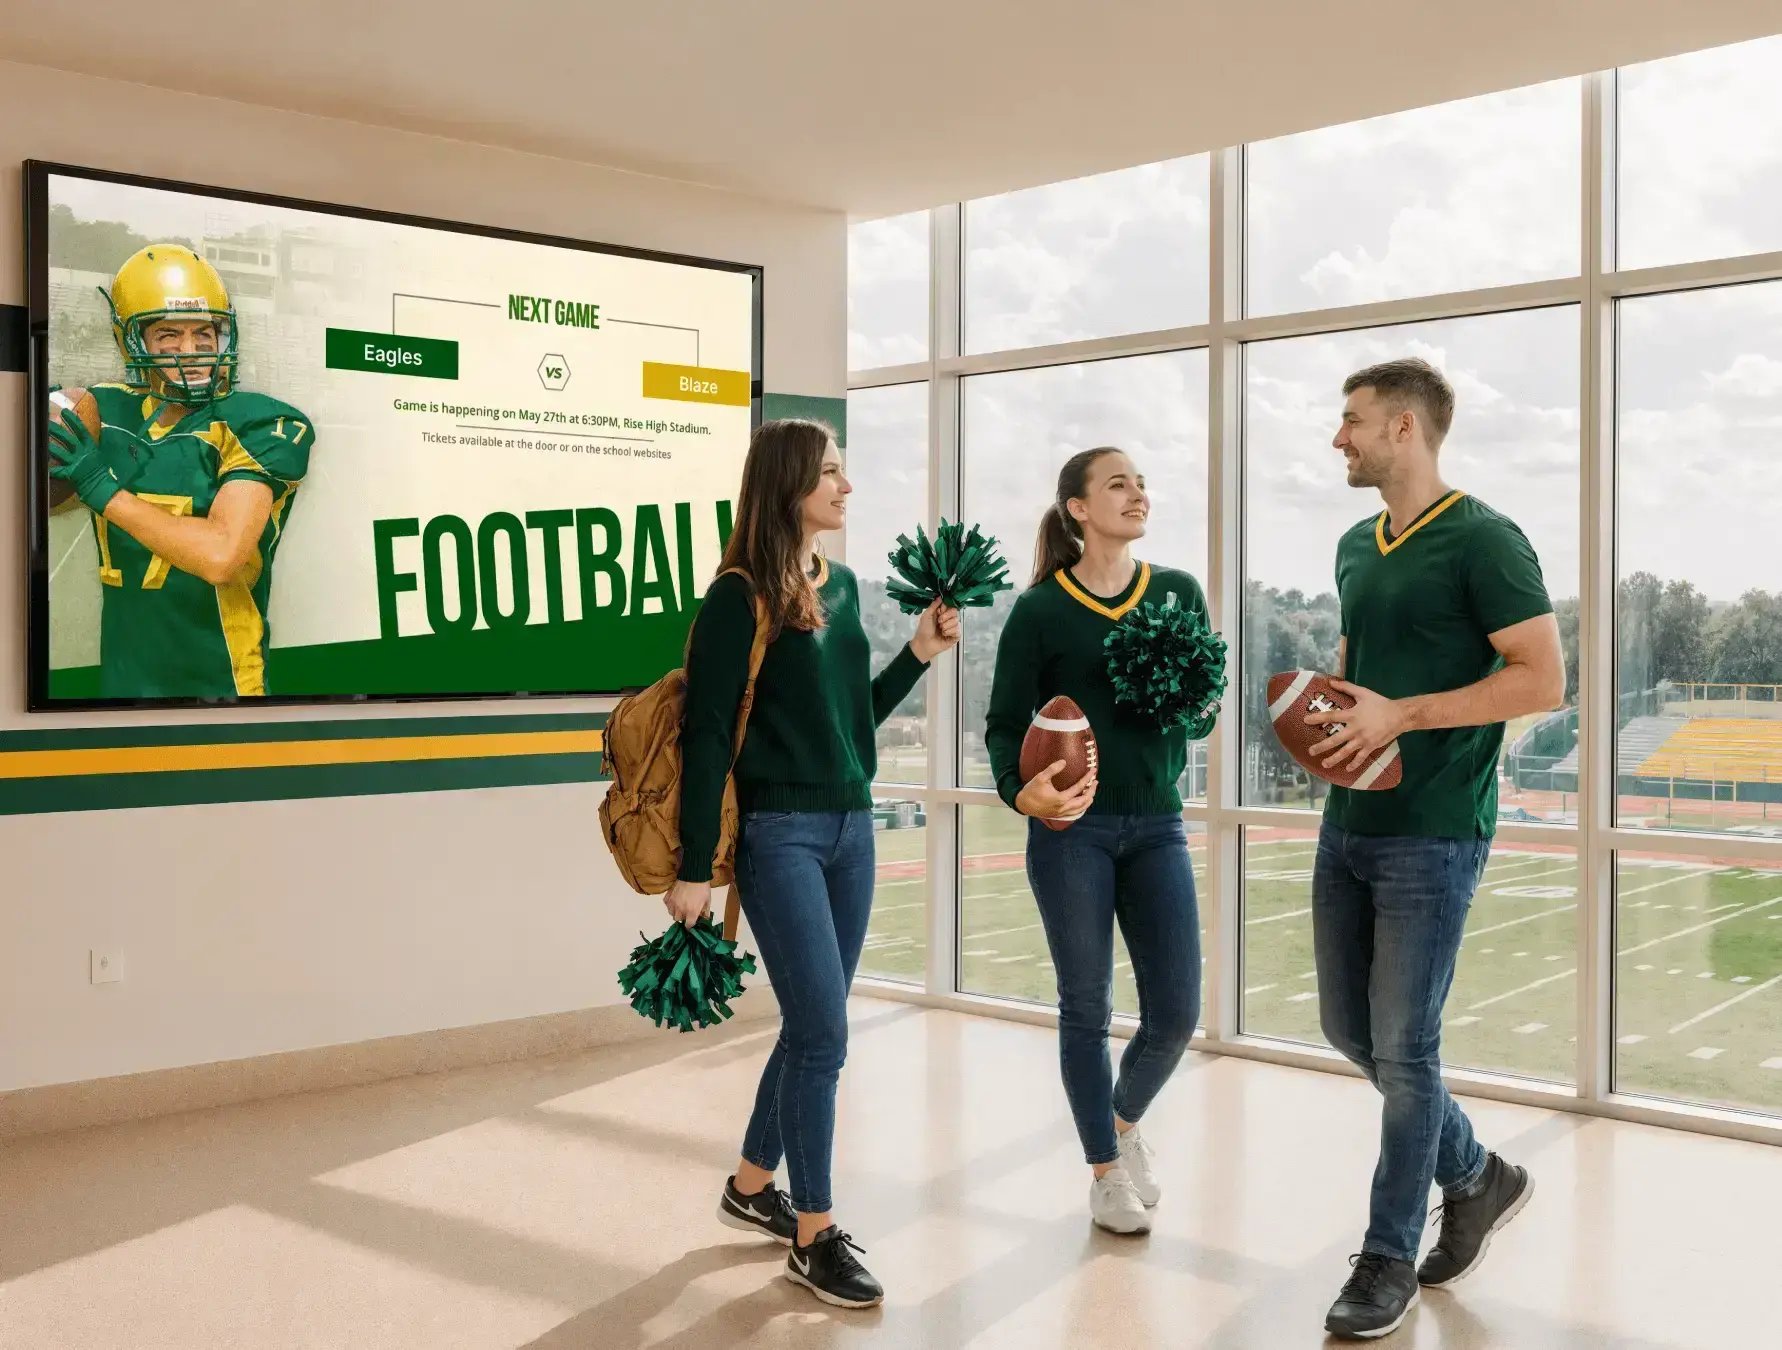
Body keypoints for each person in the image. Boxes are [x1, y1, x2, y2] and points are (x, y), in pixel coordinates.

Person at [668, 418, 959, 1309]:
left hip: (850, 829)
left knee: (810, 1028)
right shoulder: (736, 594)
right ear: (788, 482)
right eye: (830, 472)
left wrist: (916, 654)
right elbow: (709, 733)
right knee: (826, 1036)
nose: (845, 486)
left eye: (844, 470)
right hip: (779, 835)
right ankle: (814, 1234)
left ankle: (751, 1188)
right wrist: (691, 867)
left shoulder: (841, 586)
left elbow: (854, 721)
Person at [1309, 359, 1565, 1340]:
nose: (1340, 439)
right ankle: (1478, 1174)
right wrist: (1323, 720)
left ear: (1406, 428)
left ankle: (1385, 1260)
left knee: (1406, 1050)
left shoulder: (1486, 540)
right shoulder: (1352, 546)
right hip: (1350, 826)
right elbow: (1353, 676)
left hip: (1437, 831)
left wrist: (1406, 715)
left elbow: (1541, 679)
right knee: (1350, 1031)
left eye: (1353, 421)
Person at [984, 447, 1205, 1236]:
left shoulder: (1177, 593)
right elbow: (1006, 726)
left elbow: (1201, 709)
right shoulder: (1040, 610)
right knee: (1086, 1008)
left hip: (1158, 824)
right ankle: (1106, 1176)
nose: (1137, 493)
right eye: (1118, 484)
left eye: (1142, 482)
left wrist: (1187, 701)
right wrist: (1021, 790)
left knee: (1177, 1012)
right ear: (1077, 508)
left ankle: (1119, 1121)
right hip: (1069, 833)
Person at [48, 244, 312, 700]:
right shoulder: (105, 409)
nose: (190, 351)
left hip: (223, 689)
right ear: (133, 341)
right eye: (168, 335)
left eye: (204, 334)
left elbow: (221, 555)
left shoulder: (258, 421)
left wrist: (101, 486)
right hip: (123, 685)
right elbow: (49, 501)